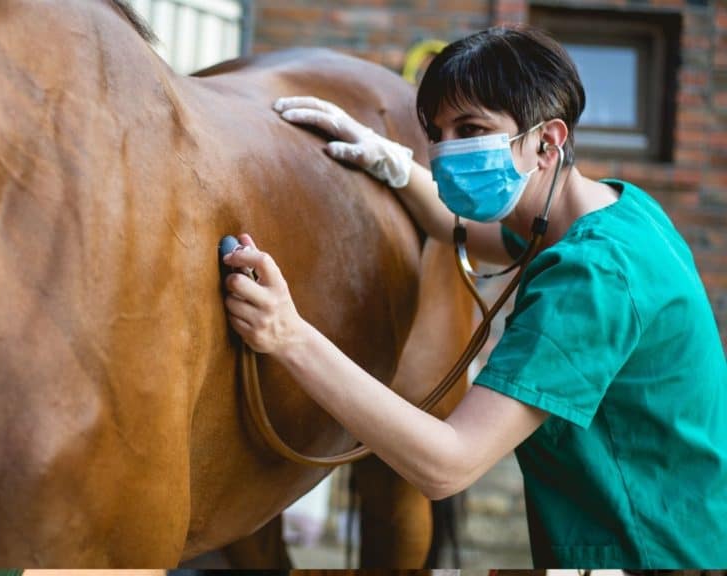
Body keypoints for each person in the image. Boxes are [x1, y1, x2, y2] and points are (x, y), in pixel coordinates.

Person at [221, 26, 727, 567]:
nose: (447, 151)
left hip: (649, 553)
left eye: (472, 128)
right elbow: (459, 227)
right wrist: (389, 161)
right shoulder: (613, 211)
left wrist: (290, 336)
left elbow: (448, 466)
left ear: (546, 141)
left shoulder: (592, 279)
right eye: (437, 133)